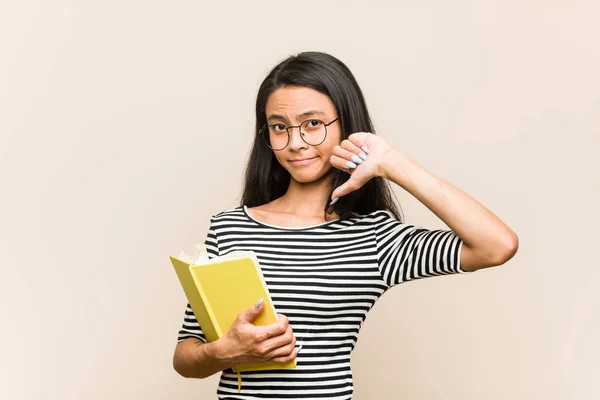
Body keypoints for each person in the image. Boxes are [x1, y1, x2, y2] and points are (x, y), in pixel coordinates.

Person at [172, 51, 518, 399]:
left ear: (345, 125)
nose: (295, 143)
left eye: (312, 124)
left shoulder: (375, 239)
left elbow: (496, 246)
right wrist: (225, 351)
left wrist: (389, 162)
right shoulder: (229, 228)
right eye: (279, 127)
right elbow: (186, 357)